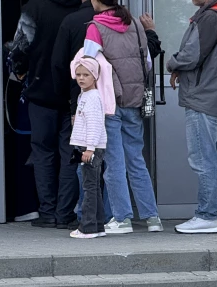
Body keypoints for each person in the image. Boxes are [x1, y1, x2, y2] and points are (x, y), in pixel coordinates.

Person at [83, 0, 161, 235]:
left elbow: (89, 66)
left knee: (114, 162)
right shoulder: (136, 25)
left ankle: (122, 218)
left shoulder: (95, 27)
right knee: (136, 160)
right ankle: (152, 218)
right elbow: (146, 61)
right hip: (133, 100)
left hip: (110, 101)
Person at [167, 0, 217, 234]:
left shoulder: (210, 17)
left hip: (202, 96)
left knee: (204, 159)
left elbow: (192, 54)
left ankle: (206, 216)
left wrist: (172, 64)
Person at [8, 0, 82, 229]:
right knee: (71, 154)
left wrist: (20, 71)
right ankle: (65, 214)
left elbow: (20, 48)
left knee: (42, 153)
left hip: (41, 93)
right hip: (74, 94)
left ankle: (47, 212)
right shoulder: (81, 9)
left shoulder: (34, 8)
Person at [68, 56, 108, 239]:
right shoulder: (84, 95)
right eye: (78, 74)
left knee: (89, 188)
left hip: (89, 147)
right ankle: (98, 225)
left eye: (86, 74)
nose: (81, 78)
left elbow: (94, 123)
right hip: (86, 146)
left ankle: (88, 227)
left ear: (95, 76)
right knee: (93, 187)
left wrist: (90, 148)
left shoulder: (92, 97)